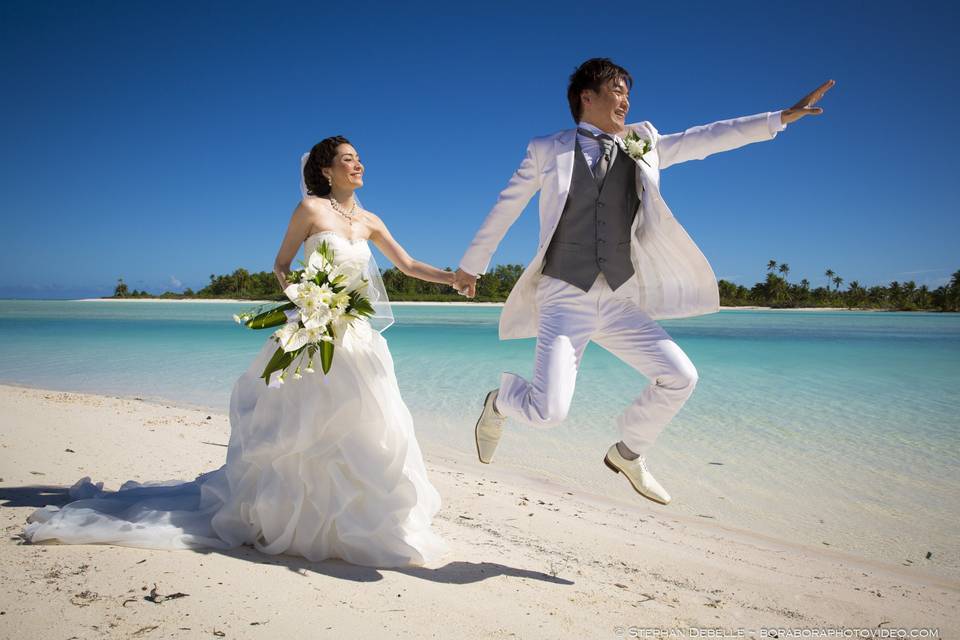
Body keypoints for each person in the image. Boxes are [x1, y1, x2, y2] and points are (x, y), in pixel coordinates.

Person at [22, 135, 454, 568]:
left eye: (359, 159)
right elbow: (281, 265)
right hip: (312, 335)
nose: (358, 165)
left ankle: (360, 521)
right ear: (326, 170)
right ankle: (294, 517)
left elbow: (409, 265)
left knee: (366, 425)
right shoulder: (310, 211)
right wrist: (305, 300)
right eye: (348, 159)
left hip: (358, 338)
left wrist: (455, 279)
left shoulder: (372, 220)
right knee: (303, 431)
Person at [454, 58, 833, 505]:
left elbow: (704, 139)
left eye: (627, 91)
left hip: (618, 297)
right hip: (564, 294)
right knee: (548, 412)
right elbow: (507, 205)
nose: (626, 99)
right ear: (586, 97)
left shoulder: (643, 142)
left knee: (680, 376)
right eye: (616, 89)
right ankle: (500, 402)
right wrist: (471, 265)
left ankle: (628, 452)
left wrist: (779, 118)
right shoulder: (546, 149)